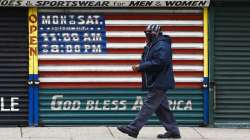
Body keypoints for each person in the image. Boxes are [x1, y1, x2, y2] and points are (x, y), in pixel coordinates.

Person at [117, 24, 181, 139]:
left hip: (160, 81)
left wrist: (141, 66)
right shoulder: (153, 44)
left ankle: (133, 128)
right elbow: (149, 59)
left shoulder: (162, 44)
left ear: (155, 33)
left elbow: (160, 62)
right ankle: (173, 131)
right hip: (156, 80)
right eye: (146, 33)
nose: (146, 35)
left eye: (148, 33)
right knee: (162, 108)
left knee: (149, 104)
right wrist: (141, 65)